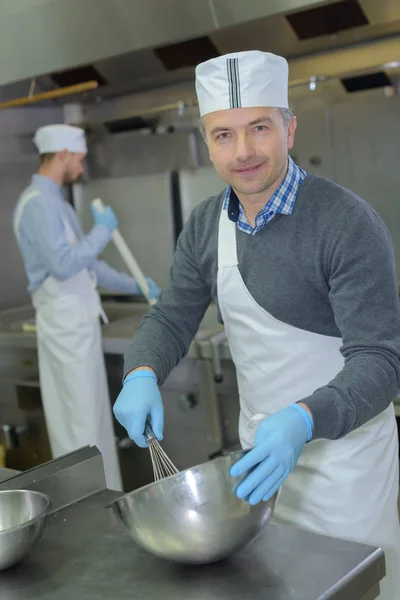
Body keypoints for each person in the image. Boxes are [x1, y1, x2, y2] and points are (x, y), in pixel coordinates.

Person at [113, 51, 400, 596]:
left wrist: (302, 421)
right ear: (206, 140)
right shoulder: (205, 225)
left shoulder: (346, 223)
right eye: (223, 135)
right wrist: (142, 370)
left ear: (289, 129)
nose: (241, 152)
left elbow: (382, 360)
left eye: (259, 128)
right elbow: (172, 315)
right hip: (256, 473)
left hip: (348, 471)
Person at [13, 124, 160, 491]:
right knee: (80, 423)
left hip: (76, 324)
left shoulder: (55, 204)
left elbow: (87, 266)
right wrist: (102, 231)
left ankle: (105, 497)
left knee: (90, 417)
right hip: (65, 324)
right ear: (62, 154)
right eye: (78, 159)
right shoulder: (38, 205)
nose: (81, 168)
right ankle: (91, 501)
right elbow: (64, 265)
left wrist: (136, 285)